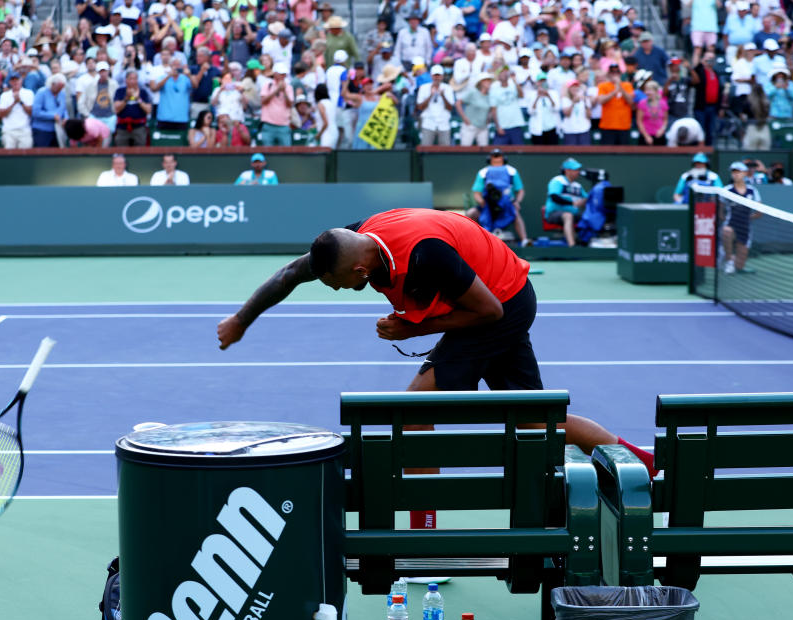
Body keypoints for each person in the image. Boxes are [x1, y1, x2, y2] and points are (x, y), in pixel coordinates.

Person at [214, 209, 660, 535]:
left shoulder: (426, 256)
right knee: (536, 419)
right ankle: (645, 464)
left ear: (360, 268)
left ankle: (426, 536)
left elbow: (488, 311)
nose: (334, 289)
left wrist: (415, 328)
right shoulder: (354, 239)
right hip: (504, 291)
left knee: (414, 414)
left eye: (335, 283)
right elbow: (291, 273)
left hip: (501, 306)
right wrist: (241, 319)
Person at [466, 148, 528, 246]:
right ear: (489, 159)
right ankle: (472, 241)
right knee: (471, 213)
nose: (497, 158)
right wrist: (482, 203)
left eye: (499, 156)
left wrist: (517, 202)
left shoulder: (512, 171)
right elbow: (476, 193)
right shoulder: (483, 172)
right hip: (487, 204)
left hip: (507, 204)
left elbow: (520, 191)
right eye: (494, 156)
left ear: (503, 158)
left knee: (515, 214)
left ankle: (524, 240)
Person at [721, 161, 761, 274]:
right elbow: (720, 211)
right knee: (726, 231)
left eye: (738, 172)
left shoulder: (752, 191)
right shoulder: (726, 190)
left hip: (745, 227)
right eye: (734, 172)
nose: (736, 174)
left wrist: (747, 218)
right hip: (730, 224)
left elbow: (759, 212)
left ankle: (735, 262)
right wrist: (725, 220)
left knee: (739, 267)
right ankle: (728, 260)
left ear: (745, 173)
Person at [544, 158, 588, 248]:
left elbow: (587, 199)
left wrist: (584, 201)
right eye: (576, 170)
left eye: (579, 170)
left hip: (574, 214)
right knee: (568, 215)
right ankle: (572, 245)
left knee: (588, 217)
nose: (578, 172)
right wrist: (573, 203)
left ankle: (586, 242)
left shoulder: (578, 185)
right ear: (567, 171)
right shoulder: (558, 181)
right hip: (554, 214)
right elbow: (554, 197)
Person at [416, 64, 455, 145]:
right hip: (428, 123)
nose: (437, 77)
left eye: (439, 75)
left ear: (442, 76)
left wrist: (443, 95)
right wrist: (430, 95)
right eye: (435, 75)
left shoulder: (448, 88)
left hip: (444, 124)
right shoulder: (423, 88)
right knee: (425, 150)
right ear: (431, 76)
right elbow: (420, 107)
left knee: (445, 151)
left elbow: (450, 108)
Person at [596, 62, 634, 145]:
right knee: (606, 154)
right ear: (609, 74)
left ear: (620, 73)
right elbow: (601, 100)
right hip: (607, 126)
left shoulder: (627, 85)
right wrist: (614, 91)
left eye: (617, 72)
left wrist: (619, 86)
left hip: (624, 126)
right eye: (612, 72)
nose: (615, 74)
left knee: (624, 154)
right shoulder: (603, 85)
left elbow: (631, 101)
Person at [113, 70, 153, 146]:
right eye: (130, 79)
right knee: (120, 152)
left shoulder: (143, 92)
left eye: (135, 79)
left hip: (139, 127)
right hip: (122, 128)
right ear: (126, 80)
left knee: (140, 153)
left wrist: (138, 99)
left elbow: (148, 110)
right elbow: (116, 109)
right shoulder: (120, 91)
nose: (132, 81)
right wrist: (126, 98)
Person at [260, 61, 295, 146]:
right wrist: (276, 90)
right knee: (267, 152)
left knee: (286, 152)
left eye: (284, 74)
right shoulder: (267, 85)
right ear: (275, 73)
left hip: (283, 126)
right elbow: (263, 101)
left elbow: (290, 104)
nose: (283, 76)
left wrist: (284, 92)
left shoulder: (289, 87)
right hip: (268, 125)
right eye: (281, 74)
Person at [0, 71, 34, 148]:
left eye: (17, 79)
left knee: (26, 155)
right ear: (10, 82)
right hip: (9, 131)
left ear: (21, 80)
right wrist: (14, 103)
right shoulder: (4, 95)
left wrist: (20, 102)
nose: (15, 82)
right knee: (9, 157)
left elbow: (31, 112)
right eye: (13, 80)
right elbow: (1, 114)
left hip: (24, 130)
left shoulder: (29, 93)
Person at [455, 72, 492, 146]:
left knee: (484, 151)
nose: (489, 82)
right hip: (470, 126)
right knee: (465, 149)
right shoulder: (473, 92)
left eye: (489, 80)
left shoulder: (490, 95)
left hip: (483, 128)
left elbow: (490, 110)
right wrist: (464, 118)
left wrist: (488, 118)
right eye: (487, 80)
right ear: (481, 82)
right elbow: (458, 103)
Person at [31, 73, 68, 147]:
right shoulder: (41, 92)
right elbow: (35, 112)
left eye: (62, 88)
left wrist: (66, 118)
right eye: (59, 87)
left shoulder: (62, 93)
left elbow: (63, 109)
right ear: (53, 84)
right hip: (42, 130)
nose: (60, 90)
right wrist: (52, 116)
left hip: (58, 130)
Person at [636, 79, 668, 145]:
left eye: (650, 90)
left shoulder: (663, 103)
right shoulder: (642, 103)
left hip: (659, 136)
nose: (647, 92)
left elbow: (665, 120)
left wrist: (662, 130)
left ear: (656, 91)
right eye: (646, 90)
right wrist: (646, 136)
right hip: (645, 137)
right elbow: (639, 121)